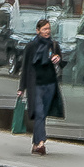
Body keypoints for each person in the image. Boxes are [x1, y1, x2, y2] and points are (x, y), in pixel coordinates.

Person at [17, 18, 65, 155]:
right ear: (38, 31)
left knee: (42, 114)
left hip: (50, 84)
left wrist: (58, 60)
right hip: (35, 85)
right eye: (44, 29)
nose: (47, 31)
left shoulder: (53, 45)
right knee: (39, 112)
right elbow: (25, 67)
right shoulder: (31, 46)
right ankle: (41, 142)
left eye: (48, 29)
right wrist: (22, 88)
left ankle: (35, 143)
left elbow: (61, 63)